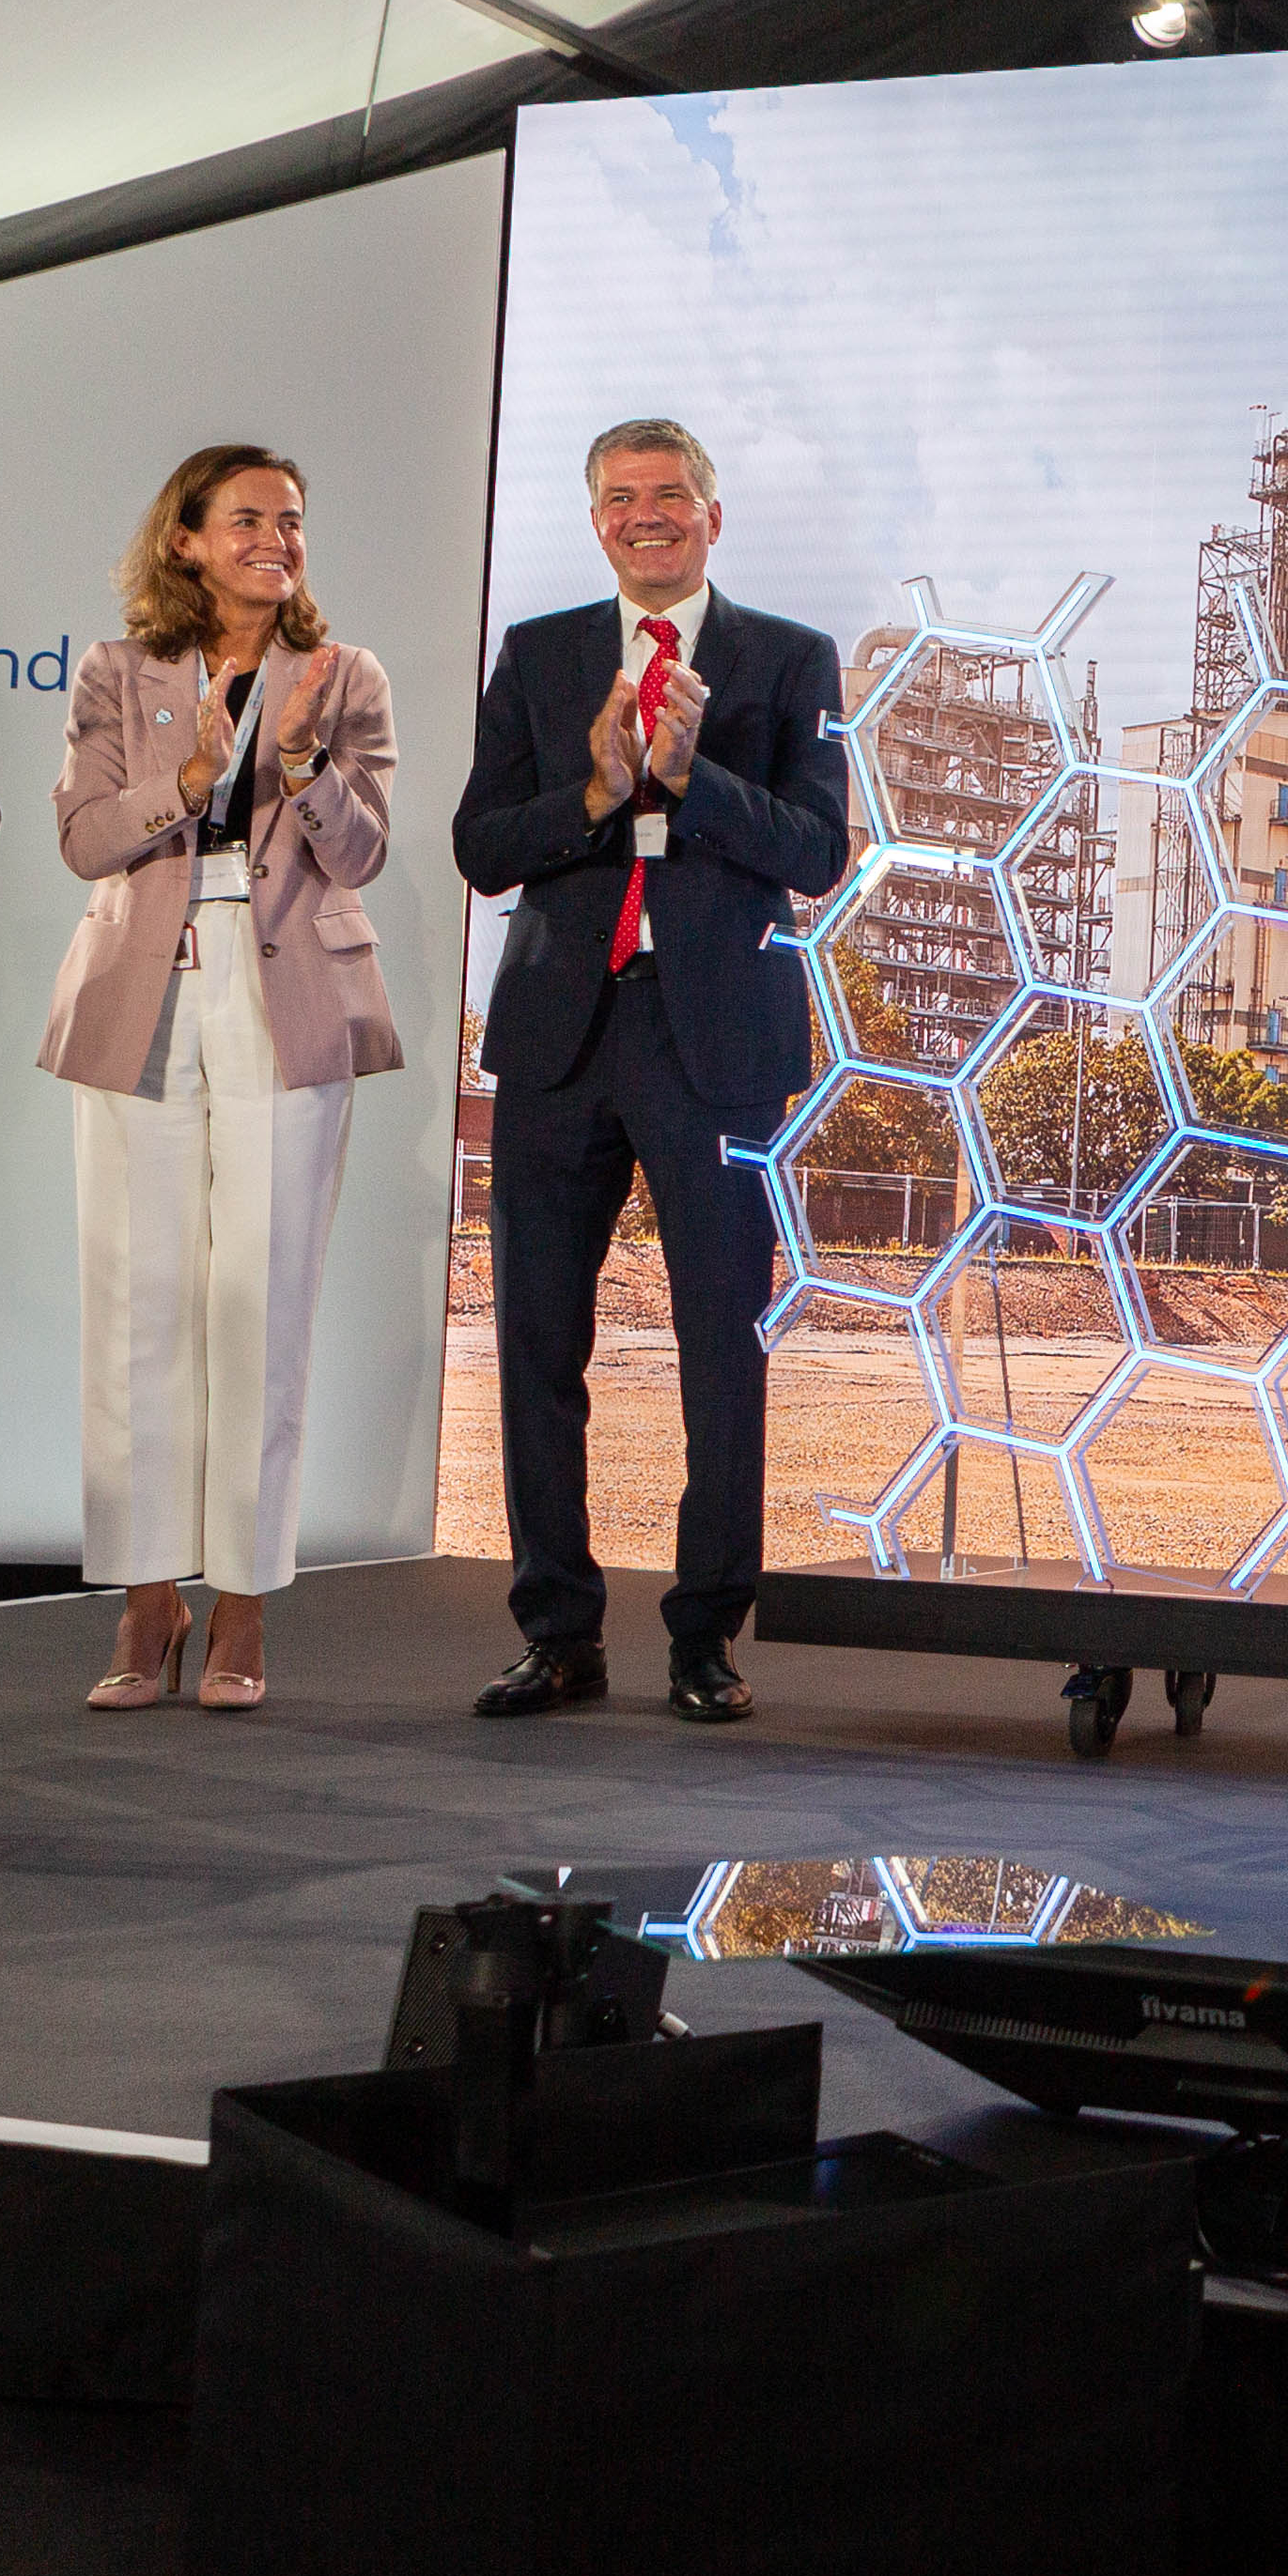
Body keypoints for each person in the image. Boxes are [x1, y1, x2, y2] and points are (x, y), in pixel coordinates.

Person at [453, 419, 848, 1724]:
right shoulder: (541, 654)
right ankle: (559, 1631)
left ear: (713, 517)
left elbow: (817, 849)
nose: (646, 516)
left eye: (670, 495)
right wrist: (599, 787)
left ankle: (704, 1637)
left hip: (717, 1048)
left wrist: (691, 777)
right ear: (596, 520)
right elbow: (480, 844)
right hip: (561, 1040)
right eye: (620, 499)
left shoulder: (790, 661)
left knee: (717, 1346)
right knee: (537, 1347)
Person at [42, 447, 403, 1709]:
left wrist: (298, 767)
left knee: (264, 1291)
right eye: (248, 517)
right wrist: (188, 782)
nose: (276, 537)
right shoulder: (116, 671)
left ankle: (244, 1603)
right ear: (185, 538)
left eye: (292, 520)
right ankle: (148, 1603)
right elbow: (84, 834)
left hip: (288, 989)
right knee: (135, 1294)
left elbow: (361, 848)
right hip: (139, 987)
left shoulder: (343, 676)